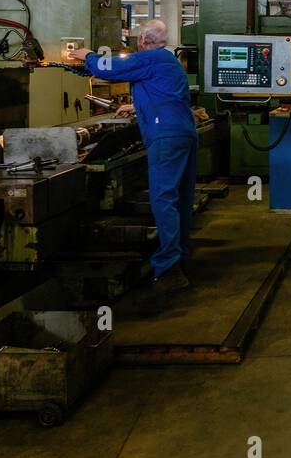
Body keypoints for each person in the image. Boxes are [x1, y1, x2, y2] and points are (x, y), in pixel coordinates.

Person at [67, 19, 198, 288]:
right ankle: (180, 256)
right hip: (183, 133)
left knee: (164, 199)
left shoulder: (148, 58)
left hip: (166, 138)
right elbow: (165, 96)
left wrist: (86, 55)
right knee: (179, 197)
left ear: (141, 41)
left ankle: (169, 268)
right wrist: (137, 107)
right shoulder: (168, 61)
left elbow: (110, 68)